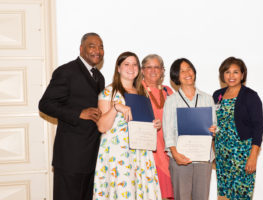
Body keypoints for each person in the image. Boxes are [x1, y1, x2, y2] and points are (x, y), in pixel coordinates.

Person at [39, 32, 105, 200]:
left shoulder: (99, 77)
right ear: (81, 49)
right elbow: (45, 104)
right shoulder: (66, 71)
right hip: (70, 158)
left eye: (101, 47)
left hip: (92, 157)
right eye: (92, 46)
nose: (97, 50)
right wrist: (78, 113)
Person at [93, 51, 162, 200]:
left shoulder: (142, 93)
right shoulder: (109, 92)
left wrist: (154, 124)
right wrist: (116, 107)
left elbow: (142, 121)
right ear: (118, 68)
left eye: (134, 64)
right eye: (126, 64)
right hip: (119, 155)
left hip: (141, 153)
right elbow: (102, 127)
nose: (131, 67)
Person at [163, 58, 216, 200]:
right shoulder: (171, 100)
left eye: (189, 68)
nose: (187, 73)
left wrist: (213, 130)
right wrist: (175, 154)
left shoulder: (207, 98)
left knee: (202, 197)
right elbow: (168, 131)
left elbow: (215, 127)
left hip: (203, 158)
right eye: (182, 71)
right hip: (180, 157)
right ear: (176, 77)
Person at [212, 57, 263, 200]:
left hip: (242, 155)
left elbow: (258, 128)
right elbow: (213, 123)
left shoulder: (250, 96)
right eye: (227, 72)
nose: (231, 76)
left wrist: (253, 157)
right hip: (222, 153)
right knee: (223, 195)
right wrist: (213, 152)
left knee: (240, 195)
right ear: (223, 74)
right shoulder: (217, 95)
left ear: (242, 74)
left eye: (235, 72)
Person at [140, 54, 174, 199]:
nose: (153, 71)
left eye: (157, 67)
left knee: (168, 194)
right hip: (148, 151)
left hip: (168, 150)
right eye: (149, 67)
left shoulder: (168, 91)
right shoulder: (136, 90)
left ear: (162, 70)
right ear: (142, 70)